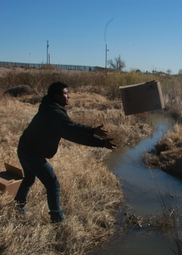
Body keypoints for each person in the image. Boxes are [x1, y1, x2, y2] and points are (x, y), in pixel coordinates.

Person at [15, 82, 116, 223]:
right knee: (53, 184)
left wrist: (92, 130)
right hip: (31, 154)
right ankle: (57, 220)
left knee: (29, 179)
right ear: (56, 96)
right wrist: (101, 143)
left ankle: (18, 207)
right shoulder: (54, 113)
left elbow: (71, 125)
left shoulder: (51, 108)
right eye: (65, 93)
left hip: (24, 148)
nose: (69, 96)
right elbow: (74, 134)